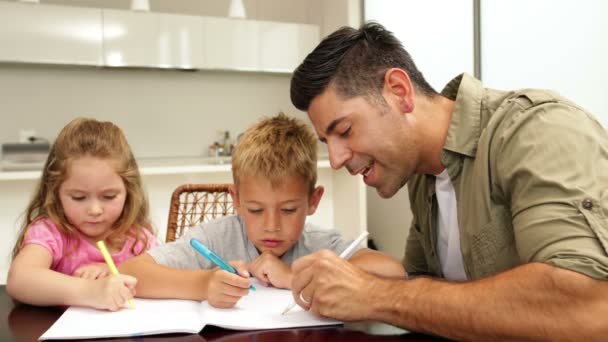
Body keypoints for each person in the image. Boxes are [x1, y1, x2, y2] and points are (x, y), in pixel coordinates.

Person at [288, 22, 608, 341]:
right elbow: (417, 283)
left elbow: (589, 306)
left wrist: (374, 294)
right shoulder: (423, 176)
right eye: (326, 141)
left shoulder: (537, 131)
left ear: (399, 92)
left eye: (344, 131)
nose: (336, 159)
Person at [119, 113, 405, 308]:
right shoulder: (215, 238)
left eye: (289, 210)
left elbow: (393, 272)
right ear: (237, 200)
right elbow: (132, 272)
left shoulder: (319, 245)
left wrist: (293, 277)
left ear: (313, 201)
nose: (271, 226)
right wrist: (203, 284)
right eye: (255, 210)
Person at [7, 118, 159, 311]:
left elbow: (167, 275)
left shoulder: (138, 237)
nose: (95, 210)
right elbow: (20, 279)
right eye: (78, 197)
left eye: (109, 196)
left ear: (129, 191)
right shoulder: (50, 232)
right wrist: (91, 291)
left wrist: (119, 272)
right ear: (55, 193)